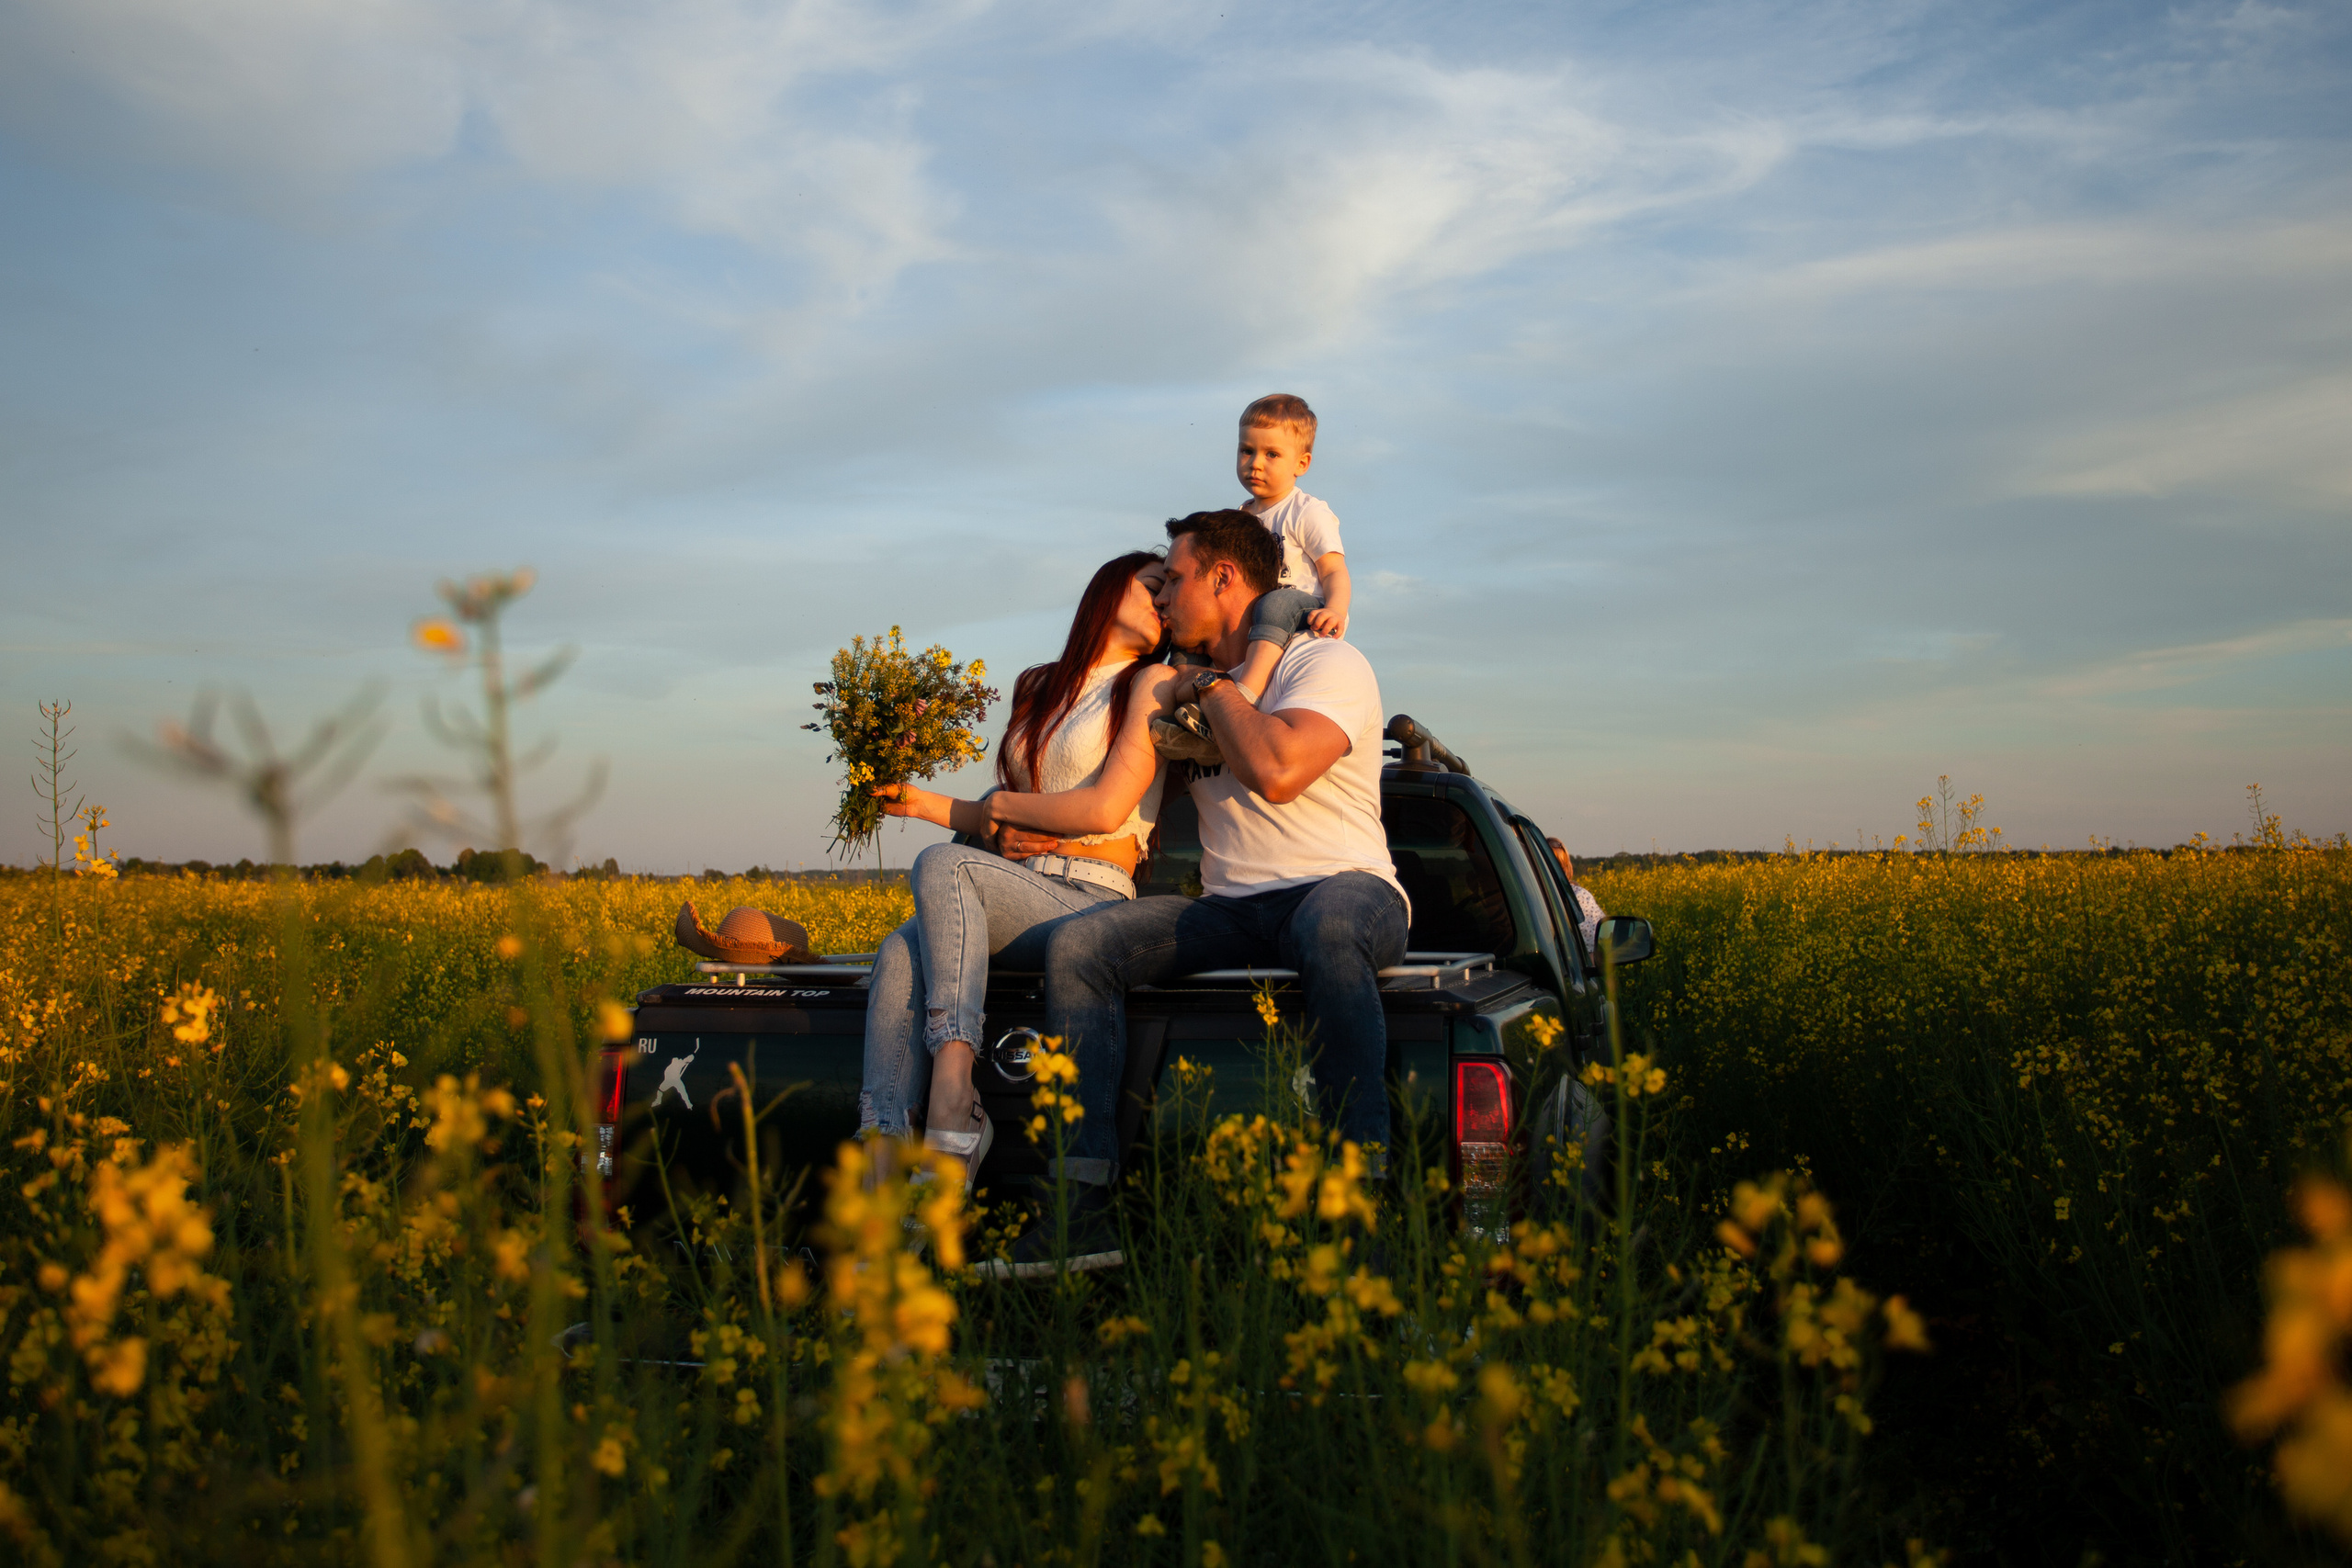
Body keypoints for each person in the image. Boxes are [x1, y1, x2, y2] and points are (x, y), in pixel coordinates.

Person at [993, 510, 1409, 1275]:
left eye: (1175, 580)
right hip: (1232, 908)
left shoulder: (1324, 665)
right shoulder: (1173, 685)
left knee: (1325, 928)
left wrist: (1214, 687)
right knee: (1082, 946)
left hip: (1348, 890)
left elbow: (1277, 771)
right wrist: (1007, 828)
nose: (1162, 599)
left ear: (1224, 578)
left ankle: (1359, 1207)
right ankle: (1082, 1207)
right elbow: (1106, 797)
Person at [856, 551, 1179, 1194]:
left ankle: (955, 1097)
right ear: (1107, 586)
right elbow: (1000, 813)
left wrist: (1017, 816)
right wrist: (919, 801)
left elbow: (1102, 811)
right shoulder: (1040, 685)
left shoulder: (1153, 686)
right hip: (1016, 888)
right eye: (1152, 585)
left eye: (1170, 593)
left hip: (1091, 894)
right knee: (899, 947)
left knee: (944, 864)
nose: (1162, 603)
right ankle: (882, 1158)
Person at [1154, 394, 1354, 765]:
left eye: (1271, 455)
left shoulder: (1307, 512)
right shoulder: (1240, 515)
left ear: (1302, 463)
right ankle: (1194, 715)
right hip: (1256, 615)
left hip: (1297, 607)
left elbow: (1333, 570)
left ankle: (1245, 692)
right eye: (1246, 451)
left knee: (1275, 602)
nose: (1255, 464)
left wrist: (1336, 609)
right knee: (1192, 624)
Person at [1546, 837, 1605, 959]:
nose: (1552, 871)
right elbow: (1597, 946)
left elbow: (1592, 945)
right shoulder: (1577, 897)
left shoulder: (1579, 898)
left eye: (1559, 865)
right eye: (1548, 865)